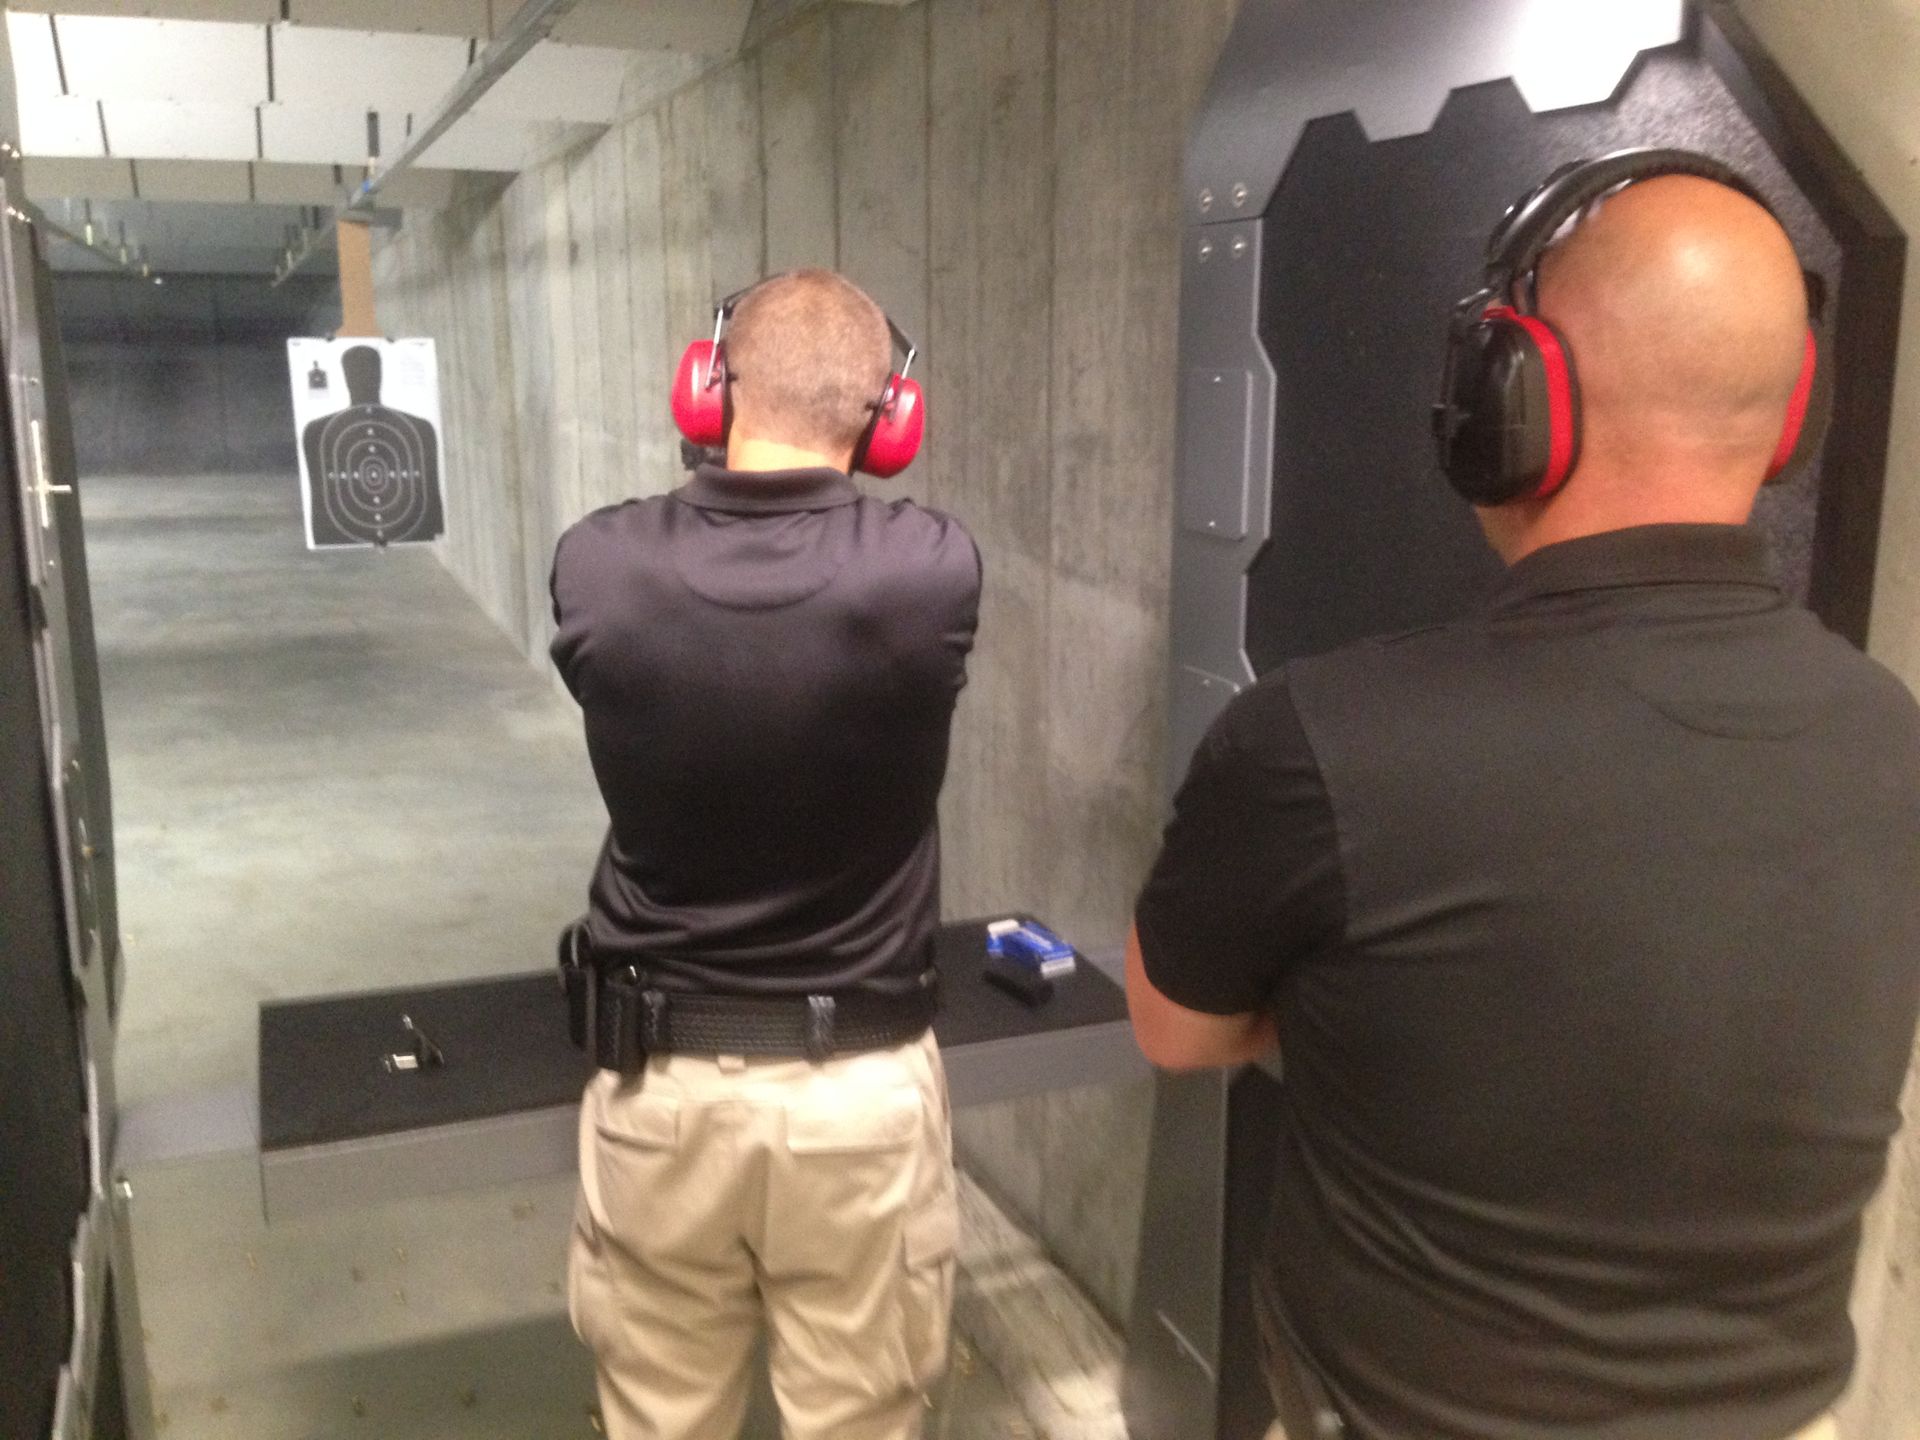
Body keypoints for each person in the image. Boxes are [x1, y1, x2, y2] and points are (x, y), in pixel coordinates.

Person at [1126, 156, 1920, 1440]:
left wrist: (1367, 1017)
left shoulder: (1322, 739)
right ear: (1787, 427)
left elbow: (1177, 1029)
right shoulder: (1895, 738)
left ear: (1511, 396)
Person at [549, 268, 981, 1440]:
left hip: (661, 1095)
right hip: (860, 1101)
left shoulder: (597, 568)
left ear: (705, 390)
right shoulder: (931, 572)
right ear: (893, 422)